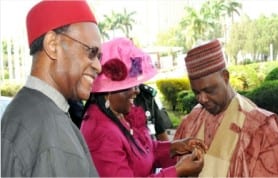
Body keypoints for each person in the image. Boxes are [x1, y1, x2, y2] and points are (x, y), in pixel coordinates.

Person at [80, 37, 207, 177]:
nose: (137, 91)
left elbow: (147, 151)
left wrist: (177, 147)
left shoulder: (120, 114)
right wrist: (177, 171)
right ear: (108, 91)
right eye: (130, 86)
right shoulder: (101, 132)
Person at [1, 1, 101, 177]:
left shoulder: (31, 110)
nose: (99, 66)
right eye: (91, 52)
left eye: (99, 56)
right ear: (53, 45)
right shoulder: (46, 126)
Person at [174, 39, 278, 177]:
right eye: (196, 92)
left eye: (209, 90)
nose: (202, 99)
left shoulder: (260, 127)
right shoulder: (192, 120)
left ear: (225, 77)